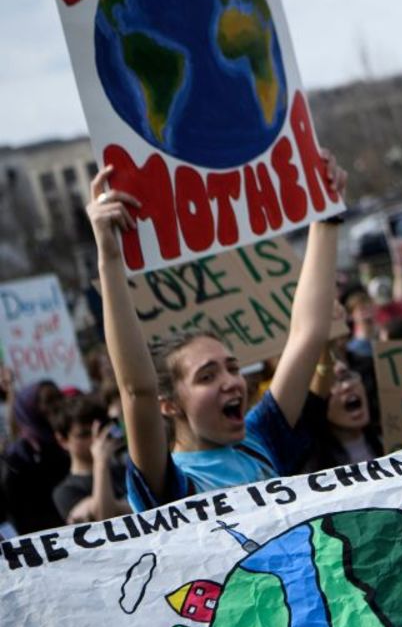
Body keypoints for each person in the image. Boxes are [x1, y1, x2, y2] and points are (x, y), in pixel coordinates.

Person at [88, 156, 348, 511]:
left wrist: (326, 211)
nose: (231, 382)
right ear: (169, 405)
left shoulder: (259, 440)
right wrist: (110, 256)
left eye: (233, 368)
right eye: (207, 376)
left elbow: (308, 333)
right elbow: (137, 390)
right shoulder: (168, 486)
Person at [0, 381, 69, 534]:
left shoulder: (69, 442)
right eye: (48, 400)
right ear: (29, 408)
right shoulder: (16, 457)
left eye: (59, 397)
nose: (57, 405)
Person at [50, 393, 128, 524]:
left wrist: (115, 506)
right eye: (84, 434)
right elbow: (104, 519)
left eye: (99, 430)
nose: (95, 439)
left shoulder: (124, 470)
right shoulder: (66, 491)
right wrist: (100, 462)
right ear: (62, 440)